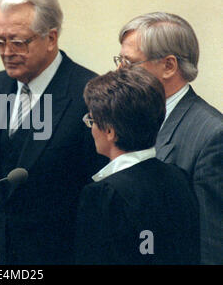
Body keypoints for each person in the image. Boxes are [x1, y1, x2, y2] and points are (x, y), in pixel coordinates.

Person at [0, 0, 106, 265]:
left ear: (51, 38)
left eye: (18, 41)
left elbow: (98, 199)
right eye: (0, 41)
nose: (6, 51)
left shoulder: (89, 93)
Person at [116, 12, 223, 264]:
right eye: (119, 60)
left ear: (168, 66)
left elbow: (211, 242)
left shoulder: (211, 135)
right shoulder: (126, 118)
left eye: (129, 63)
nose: (119, 72)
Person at [75, 67, 200, 264]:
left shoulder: (102, 194)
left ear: (109, 131)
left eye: (92, 120)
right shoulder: (180, 177)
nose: (91, 129)